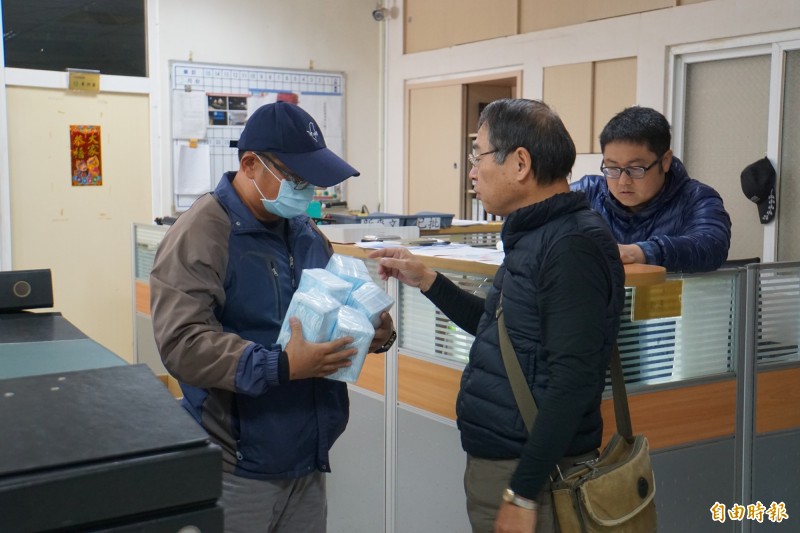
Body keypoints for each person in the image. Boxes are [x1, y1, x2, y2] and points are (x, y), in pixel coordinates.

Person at [370, 99, 625, 533]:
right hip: (512, 464)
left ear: (520, 162)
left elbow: (574, 382)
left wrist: (522, 491)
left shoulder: (571, 246)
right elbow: (498, 326)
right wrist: (427, 278)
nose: (472, 171)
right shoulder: (538, 233)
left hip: (537, 475)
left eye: (479, 156)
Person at [150, 102, 396, 533]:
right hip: (237, 463)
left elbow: (330, 312)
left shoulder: (304, 232)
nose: (306, 192)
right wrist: (279, 366)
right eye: (296, 178)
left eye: (311, 182)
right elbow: (183, 343)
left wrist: (371, 330)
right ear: (249, 164)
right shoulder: (202, 233)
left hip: (307, 455)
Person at [570, 106, 731, 273]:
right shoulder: (588, 192)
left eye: (636, 169)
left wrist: (641, 252)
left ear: (665, 161)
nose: (623, 181)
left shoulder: (697, 199)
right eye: (612, 168)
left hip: (668, 298)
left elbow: (712, 245)